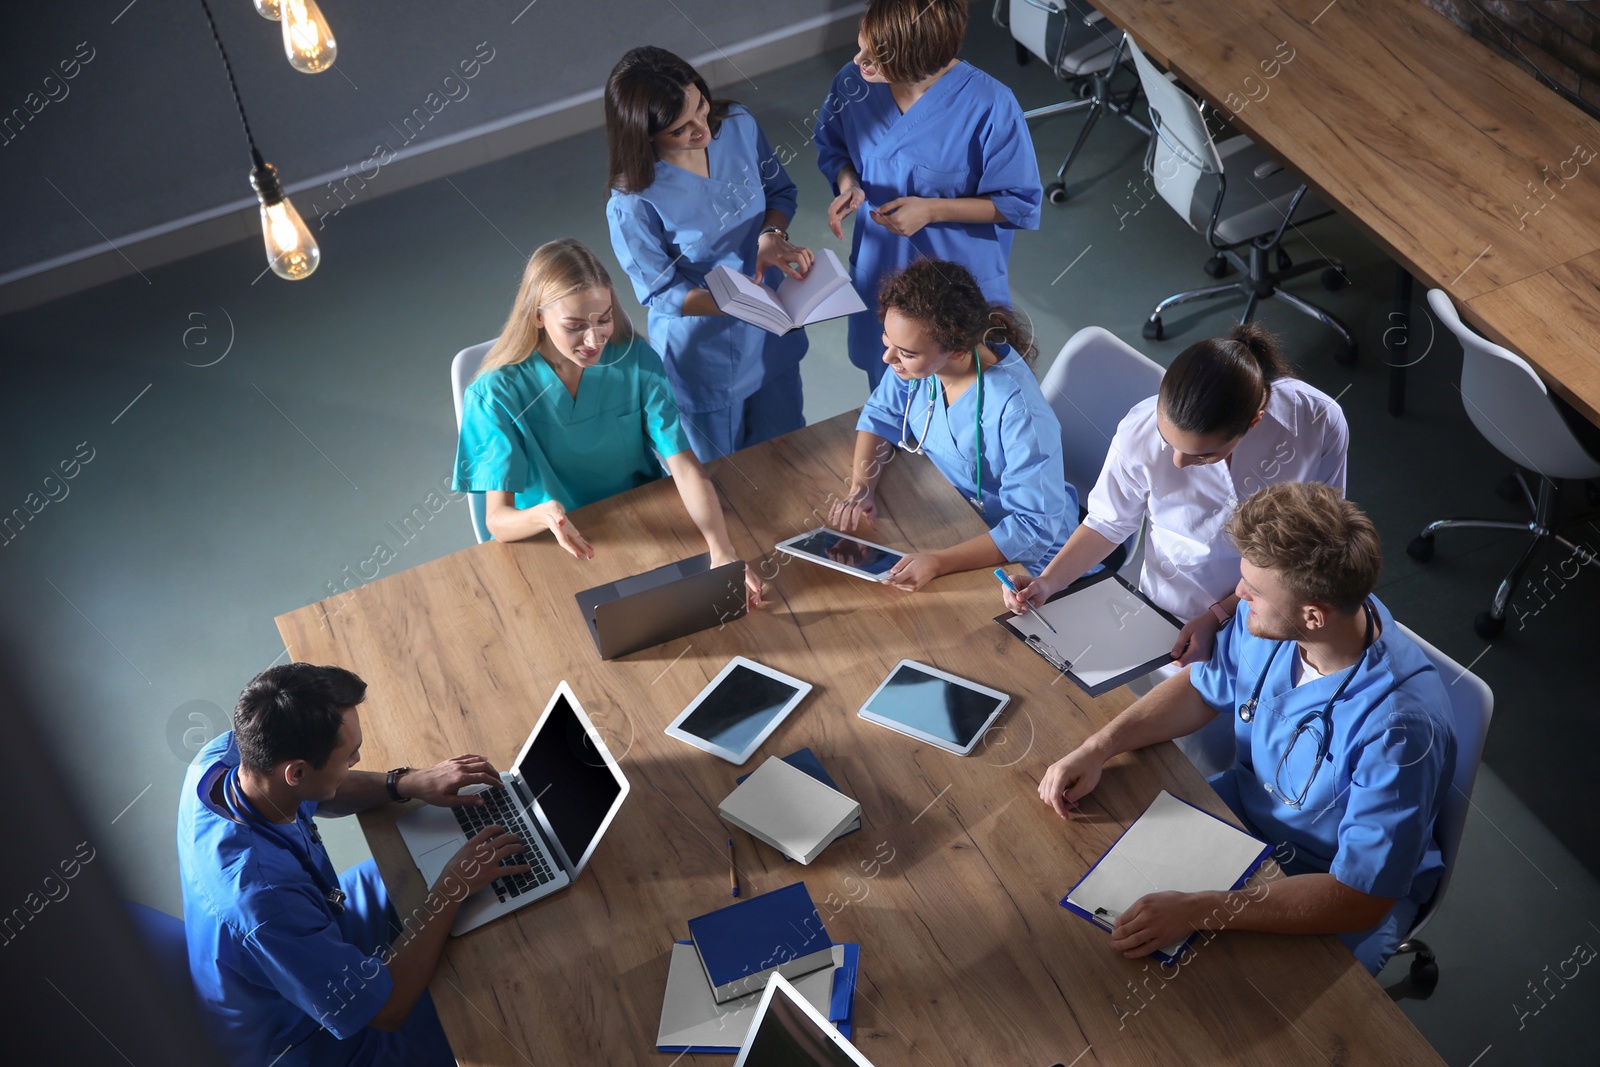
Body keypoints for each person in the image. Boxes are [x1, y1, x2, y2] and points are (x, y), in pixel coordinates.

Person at [1037, 483, 1455, 975]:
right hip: (1241, 817)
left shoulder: (1401, 730)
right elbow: (1203, 689)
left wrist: (1202, 910)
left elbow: (1362, 896)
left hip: (1332, 882)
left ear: (1313, 615)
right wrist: (1099, 746)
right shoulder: (1285, 622)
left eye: (1252, 591)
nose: (1236, 596)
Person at [1003, 322, 1347, 773]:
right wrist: (1048, 583)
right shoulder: (1141, 429)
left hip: (1268, 623)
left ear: (1253, 422)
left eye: (1203, 455)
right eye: (1169, 444)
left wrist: (1220, 615)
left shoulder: (1316, 422)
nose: (1179, 462)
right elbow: (1109, 521)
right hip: (1162, 619)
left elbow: (1312, 549)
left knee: (1218, 766)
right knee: (1143, 751)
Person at [177, 663, 531, 1066]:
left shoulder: (230, 757)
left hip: (315, 920)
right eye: (349, 756)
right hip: (309, 1039)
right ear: (296, 772)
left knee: (423, 863)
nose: (358, 758)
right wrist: (450, 891)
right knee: (502, 996)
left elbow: (321, 792)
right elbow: (387, 1010)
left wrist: (406, 783)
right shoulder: (264, 904)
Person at [453, 239, 761, 603]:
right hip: (555, 545)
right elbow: (497, 522)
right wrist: (544, 516)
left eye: (603, 320)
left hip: (643, 526)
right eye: (574, 326)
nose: (593, 339)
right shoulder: (493, 395)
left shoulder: (636, 361)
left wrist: (721, 549)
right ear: (538, 316)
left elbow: (685, 466)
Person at [815, 0, 1042, 389]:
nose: (860, 60)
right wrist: (848, 186)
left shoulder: (990, 106)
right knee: (890, 384)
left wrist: (932, 210)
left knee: (965, 388)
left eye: (877, 56)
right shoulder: (853, 83)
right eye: (862, 44)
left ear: (920, 59)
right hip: (882, 268)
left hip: (954, 283)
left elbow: (1018, 202)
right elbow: (834, 147)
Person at [606, 46, 813, 461]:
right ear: (643, 134)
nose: (702, 130)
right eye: (680, 130)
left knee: (789, 457)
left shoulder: (737, 124)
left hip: (773, 331)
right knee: (722, 480)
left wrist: (771, 234)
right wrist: (737, 304)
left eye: (700, 106)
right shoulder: (632, 201)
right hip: (705, 357)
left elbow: (779, 192)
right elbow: (662, 292)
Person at [828, 260, 1076, 591]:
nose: (888, 359)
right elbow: (882, 414)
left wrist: (939, 562)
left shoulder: (1018, 413)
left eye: (905, 352)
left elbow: (1033, 528)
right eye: (887, 339)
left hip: (1028, 566)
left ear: (956, 349)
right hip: (955, 518)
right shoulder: (917, 363)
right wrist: (862, 489)